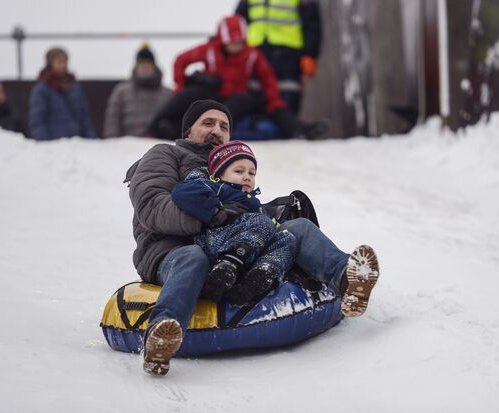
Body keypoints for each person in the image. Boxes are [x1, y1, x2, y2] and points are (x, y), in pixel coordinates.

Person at [125, 99, 379, 376]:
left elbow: (246, 209)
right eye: (207, 123)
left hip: (228, 245)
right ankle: (161, 335)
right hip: (172, 250)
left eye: (224, 127)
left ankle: (348, 279)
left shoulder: (229, 165)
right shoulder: (165, 154)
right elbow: (152, 206)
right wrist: (216, 216)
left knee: (298, 229)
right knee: (193, 257)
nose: (217, 131)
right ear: (187, 131)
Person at [146, 15, 326, 141]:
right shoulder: (209, 49)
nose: (236, 47)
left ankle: (300, 130)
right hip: (211, 93)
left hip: (238, 98)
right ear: (223, 41)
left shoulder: (252, 55)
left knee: (265, 106)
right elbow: (180, 61)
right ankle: (158, 126)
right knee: (188, 98)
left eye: (240, 42)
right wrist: (182, 83)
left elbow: (267, 78)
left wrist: (273, 100)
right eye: (232, 43)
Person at [171, 140, 297, 304]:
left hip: (249, 248)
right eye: (239, 171)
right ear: (218, 175)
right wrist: (215, 213)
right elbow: (182, 193)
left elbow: (270, 226)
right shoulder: (215, 186)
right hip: (217, 240)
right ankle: (225, 268)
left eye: (252, 173)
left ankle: (260, 276)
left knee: (287, 238)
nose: (247, 176)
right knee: (261, 222)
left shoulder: (254, 203)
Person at [236, 0, 322, 115]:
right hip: (256, 53)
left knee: (287, 98)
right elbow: (238, 21)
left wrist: (310, 55)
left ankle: (289, 131)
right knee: (255, 96)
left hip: (289, 54)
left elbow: (312, 23)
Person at [103, 43, 171, 138]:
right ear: (136, 67)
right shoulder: (121, 92)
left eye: (148, 66)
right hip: (127, 146)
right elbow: (112, 121)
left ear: (154, 67)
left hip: (158, 145)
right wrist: (112, 142)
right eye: (142, 66)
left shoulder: (168, 94)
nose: (145, 70)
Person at [29, 47, 97, 140]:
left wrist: (91, 138)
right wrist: (44, 144)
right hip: (54, 143)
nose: (62, 65)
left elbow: (84, 116)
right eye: (58, 62)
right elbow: (38, 120)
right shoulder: (41, 89)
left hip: (78, 142)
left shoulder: (75, 86)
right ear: (50, 64)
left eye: (64, 61)